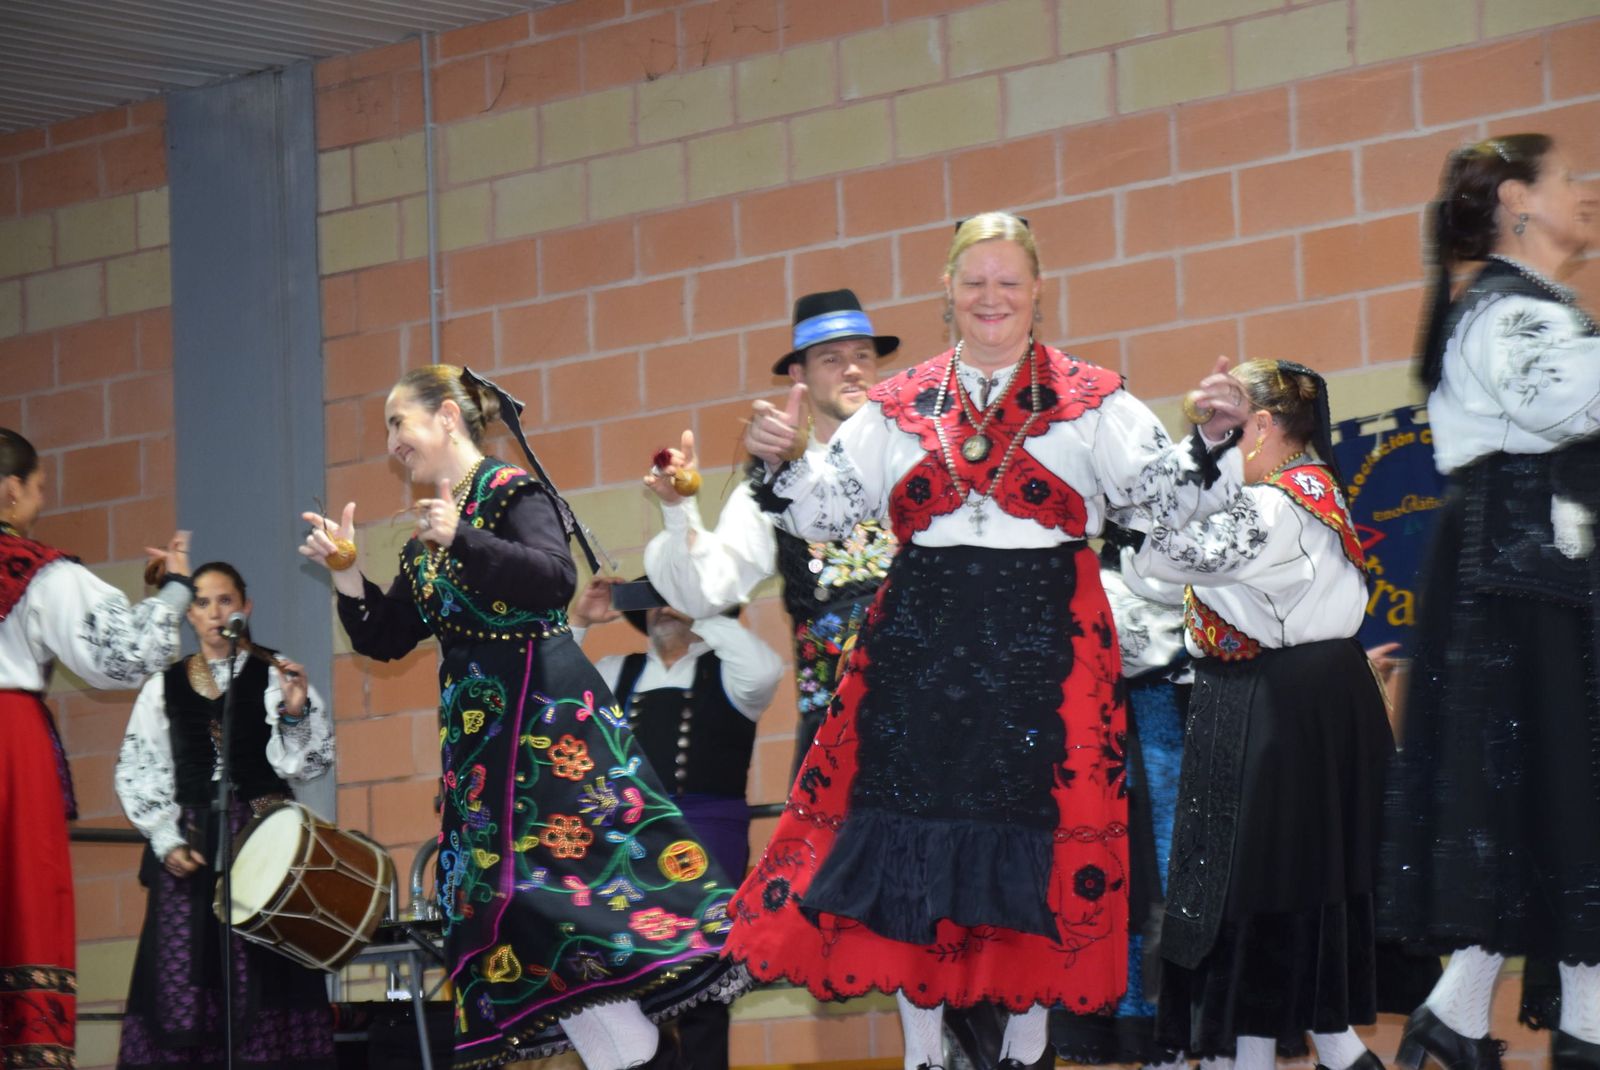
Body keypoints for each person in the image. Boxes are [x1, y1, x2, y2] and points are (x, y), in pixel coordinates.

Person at [725, 212, 1253, 1070]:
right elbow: (824, 515)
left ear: (1037, 291)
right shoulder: (897, 405)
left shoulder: (1095, 400)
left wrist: (1217, 438)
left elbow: (1168, 504)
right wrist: (781, 460)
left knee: (1043, 839)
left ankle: (1027, 1051)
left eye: (1009, 281)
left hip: (1045, 643)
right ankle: (924, 1053)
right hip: (922, 643)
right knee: (910, 837)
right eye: (975, 281)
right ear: (948, 291)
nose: (991, 297)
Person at [300, 365, 743, 1070]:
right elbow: (384, 638)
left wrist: (463, 538)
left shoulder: (510, 493)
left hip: (547, 733)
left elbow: (554, 578)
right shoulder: (423, 542)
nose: (391, 444)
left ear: (447, 417)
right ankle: (630, 1052)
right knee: (523, 922)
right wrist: (349, 573)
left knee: (552, 897)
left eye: (398, 423)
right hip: (483, 750)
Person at [1378, 134, 1600, 1070]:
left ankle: (1473, 1018)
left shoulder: (1537, 308)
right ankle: (1527, 1024)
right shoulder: (1508, 313)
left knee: (1557, 800)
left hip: (1545, 579)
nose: (1584, 192)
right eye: (1566, 178)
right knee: (1542, 790)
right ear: (1518, 199)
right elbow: (1564, 401)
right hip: (1515, 586)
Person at [1131, 360, 1394, 1070]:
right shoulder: (1283, 499)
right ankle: (1328, 1050)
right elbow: (1154, 566)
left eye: (1229, 426)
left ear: (1266, 427)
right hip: (1263, 703)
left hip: (1286, 711)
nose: (1215, 439)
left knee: (1264, 897)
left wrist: (1152, 483)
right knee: (1259, 900)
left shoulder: (1282, 504)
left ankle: (1328, 1049)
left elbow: (1169, 554)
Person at [643, 288, 900, 776]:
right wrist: (678, 511)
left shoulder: (913, 461)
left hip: (937, 722)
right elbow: (704, 594)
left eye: (862, 355)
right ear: (798, 375)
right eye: (831, 358)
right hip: (838, 745)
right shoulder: (772, 487)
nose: (852, 369)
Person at [0, 427, 191, 1070]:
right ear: (9, 489)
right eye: (38, 488)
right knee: (21, 906)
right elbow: (126, 652)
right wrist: (171, 590)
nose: (41, 502)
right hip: (8, 752)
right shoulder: (29, 569)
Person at [112, 561, 337, 1068]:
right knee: (186, 971)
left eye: (225, 601)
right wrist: (165, 839)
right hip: (193, 843)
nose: (215, 612)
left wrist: (296, 713)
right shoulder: (161, 686)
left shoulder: (278, 673)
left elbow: (309, 764)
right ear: (189, 615)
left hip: (264, 839)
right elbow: (140, 766)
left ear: (245, 608)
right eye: (202, 602)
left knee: (265, 971)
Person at [570, 576, 784, 1070]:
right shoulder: (614, 671)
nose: (662, 608)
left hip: (706, 841)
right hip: (627, 844)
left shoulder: (730, 672)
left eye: (671, 596)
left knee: (703, 985)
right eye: (653, 598)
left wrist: (696, 603)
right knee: (630, 982)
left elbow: (767, 668)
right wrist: (579, 620)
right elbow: (545, 697)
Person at [1051, 525, 1190, 1070]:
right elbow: (1144, 651)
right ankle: (1158, 1044)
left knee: (1177, 891)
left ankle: (1172, 1043)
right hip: (1137, 764)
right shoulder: (1101, 585)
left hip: (1182, 760)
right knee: (1147, 894)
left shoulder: (1195, 576)